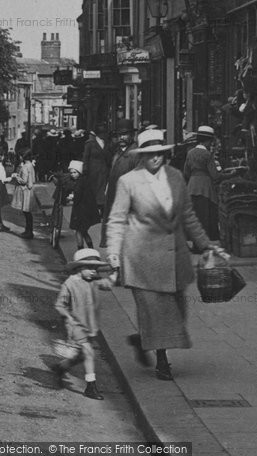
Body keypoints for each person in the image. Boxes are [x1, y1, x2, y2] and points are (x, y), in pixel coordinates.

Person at [106, 128, 221, 381]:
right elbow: (116, 220)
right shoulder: (129, 182)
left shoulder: (176, 177)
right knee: (158, 312)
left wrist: (205, 244)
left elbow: (188, 215)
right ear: (141, 156)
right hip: (142, 258)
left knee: (178, 311)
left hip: (174, 256)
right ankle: (162, 361)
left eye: (159, 153)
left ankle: (144, 339)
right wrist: (113, 254)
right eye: (149, 154)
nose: (155, 158)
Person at [54, 248, 112, 400]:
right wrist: (68, 317)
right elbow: (60, 305)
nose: (93, 271)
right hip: (75, 325)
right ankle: (90, 387)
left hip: (90, 325)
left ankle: (60, 368)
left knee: (80, 357)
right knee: (89, 352)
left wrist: (115, 269)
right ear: (79, 268)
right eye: (90, 268)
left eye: (95, 268)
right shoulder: (69, 284)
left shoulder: (93, 282)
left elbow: (109, 283)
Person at [100, 119, 138, 248]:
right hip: (114, 194)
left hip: (126, 197)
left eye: (125, 134)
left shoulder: (134, 153)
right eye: (119, 135)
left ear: (132, 135)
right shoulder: (117, 152)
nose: (121, 137)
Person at [183, 125, 222, 241]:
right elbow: (215, 176)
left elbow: (186, 172)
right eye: (210, 141)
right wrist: (231, 174)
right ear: (207, 141)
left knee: (195, 215)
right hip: (206, 188)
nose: (211, 144)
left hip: (192, 186)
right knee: (206, 216)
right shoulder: (207, 155)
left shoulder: (190, 153)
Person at [68, 160, 101, 250]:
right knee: (84, 232)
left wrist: (72, 197)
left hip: (80, 212)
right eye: (71, 173)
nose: (72, 174)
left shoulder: (79, 183)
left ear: (79, 172)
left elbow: (78, 197)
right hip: (87, 211)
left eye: (75, 172)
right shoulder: (84, 181)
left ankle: (80, 250)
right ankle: (91, 249)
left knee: (78, 231)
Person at [83, 124, 112, 218]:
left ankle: (102, 210)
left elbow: (109, 157)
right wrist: (85, 170)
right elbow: (85, 158)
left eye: (104, 133)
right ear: (98, 134)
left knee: (103, 191)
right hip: (93, 172)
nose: (104, 135)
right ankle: (94, 211)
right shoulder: (90, 143)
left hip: (104, 171)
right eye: (102, 133)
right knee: (94, 191)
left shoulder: (107, 143)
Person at [11, 149, 37, 239]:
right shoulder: (30, 165)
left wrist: (16, 176)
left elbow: (24, 181)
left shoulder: (25, 167)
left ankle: (29, 232)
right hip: (29, 190)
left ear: (23, 157)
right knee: (28, 212)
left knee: (26, 212)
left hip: (25, 191)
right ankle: (28, 230)